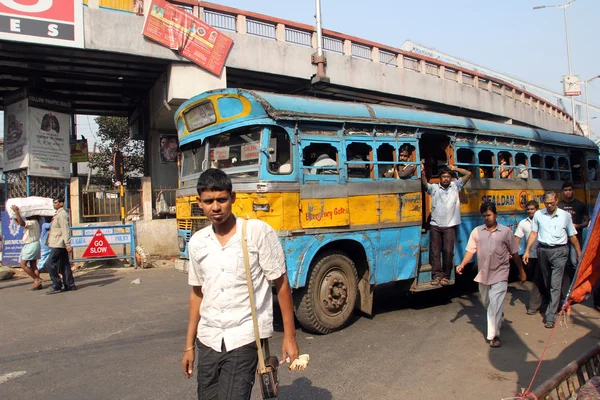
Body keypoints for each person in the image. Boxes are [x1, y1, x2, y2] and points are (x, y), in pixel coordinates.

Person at [182, 168, 299, 399]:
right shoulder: (197, 242)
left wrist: (289, 336)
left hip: (243, 336)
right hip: (208, 340)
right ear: (199, 202)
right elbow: (197, 293)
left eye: (222, 199)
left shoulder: (256, 233)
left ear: (232, 198)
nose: (216, 207)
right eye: (208, 201)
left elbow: (281, 283)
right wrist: (188, 346)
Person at [457, 202, 526, 348]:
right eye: (484, 216)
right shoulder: (477, 231)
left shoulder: (505, 232)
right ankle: (498, 315)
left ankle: (493, 336)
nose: (486, 218)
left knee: (494, 305)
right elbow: (471, 250)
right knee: (488, 303)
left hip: (501, 273)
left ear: (496, 215)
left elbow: (514, 253)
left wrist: (521, 271)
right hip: (483, 273)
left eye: (489, 215)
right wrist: (463, 264)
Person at [523, 191, 581, 329]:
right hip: (543, 251)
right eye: (547, 203)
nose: (549, 206)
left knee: (555, 283)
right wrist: (527, 250)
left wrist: (579, 252)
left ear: (556, 201)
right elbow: (534, 233)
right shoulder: (538, 214)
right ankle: (553, 302)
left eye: (552, 203)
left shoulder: (565, 216)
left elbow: (572, 235)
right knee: (547, 280)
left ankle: (550, 316)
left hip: (560, 251)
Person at [421, 161, 472, 286]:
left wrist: (455, 168)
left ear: (451, 178)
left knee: (448, 251)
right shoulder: (434, 188)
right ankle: (436, 275)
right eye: (444, 177)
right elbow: (424, 184)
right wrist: (422, 173)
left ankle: (446, 276)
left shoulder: (456, 185)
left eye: (448, 177)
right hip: (435, 224)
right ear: (440, 178)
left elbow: (468, 174)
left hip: (450, 225)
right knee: (435, 251)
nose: (446, 179)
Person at [558, 181, 590, 298]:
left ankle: (575, 286)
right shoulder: (559, 206)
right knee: (563, 264)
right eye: (566, 190)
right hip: (561, 239)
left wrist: (578, 226)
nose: (568, 192)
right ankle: (565, 290)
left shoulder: (580, 205)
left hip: (575, 238)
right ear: (562, 192)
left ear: (573, 191)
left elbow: (587, 222)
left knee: (574, 262)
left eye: (570, 190)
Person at [515, 200, 543, 315]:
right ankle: (541, 302)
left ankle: (535, 305)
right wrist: (511, 251)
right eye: (528, 209)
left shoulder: (543, 220)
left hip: (544, 253)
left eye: (533, 209)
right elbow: (517, 238)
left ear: (537, 209)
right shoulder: (523, 223)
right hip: (531, 255)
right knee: (536, 279)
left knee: (543, 279)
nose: (530, 211)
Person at [46, 196, 75, 295]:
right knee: (64, 264)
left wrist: (67, 243)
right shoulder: (57, 214)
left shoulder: (62, 215)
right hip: (57, 242)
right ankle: (69, 284)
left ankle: (56, 284)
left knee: (50, 263)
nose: (54, 204)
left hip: (59, 243)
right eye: (54, 203)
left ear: (61, 203)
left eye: (56, 203)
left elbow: (65, 229)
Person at [11, 205, 43, 290]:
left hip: (31, 245)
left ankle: (36, 279)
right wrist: (15, 215)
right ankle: (38, 284)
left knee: (23, 264)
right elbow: (20, 223)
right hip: (33, 244)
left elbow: (22, 223)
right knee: (33, 265)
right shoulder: (34, 222)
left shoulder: (32, 222)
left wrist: (17, 212)